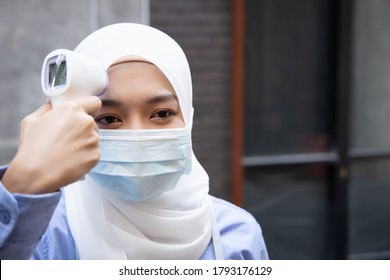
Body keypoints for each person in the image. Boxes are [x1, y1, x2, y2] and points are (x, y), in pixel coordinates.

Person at [0, 23, 268, 260]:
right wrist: (23, 182)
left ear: (188, 118)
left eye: (162, 114)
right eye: (108, 119)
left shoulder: (238, 237)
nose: (138, 136)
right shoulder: (39, 237)